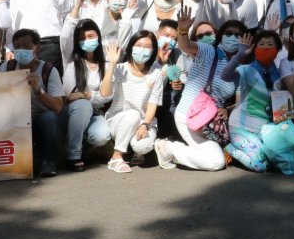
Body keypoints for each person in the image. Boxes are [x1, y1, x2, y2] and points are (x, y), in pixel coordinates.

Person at [158, 13, 238, 172]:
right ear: (221, 36)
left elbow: (240, 99)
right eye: (228, 34)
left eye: (237, 35)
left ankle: (170, 149)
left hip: (211, 124)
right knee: (216, 163)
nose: (233, 38)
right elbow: (186, 46)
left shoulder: (240, 65)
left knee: (216, 161)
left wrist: (227, 109)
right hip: (190, 116)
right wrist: (182, 31)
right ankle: (166, 147)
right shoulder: (209, 51)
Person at [218, 30, 294, 173]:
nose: (265, 47)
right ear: (255, 48)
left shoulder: (280, 75)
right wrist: (239, 55)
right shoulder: (246, 70)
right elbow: (225, 75)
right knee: (261, 165)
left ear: (277, 50)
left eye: (270, 44)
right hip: (242, 128)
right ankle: (229, 148)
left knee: (281, 157)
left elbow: (285, 106)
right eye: (261, 44)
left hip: (267, 129)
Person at [99, 31, 166, 172]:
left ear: (153, 50)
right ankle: (116, 157)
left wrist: (145, 124)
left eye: (147, 47)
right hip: (119, 120)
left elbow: (153, 103)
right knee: (132, 115)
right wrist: (111, 64)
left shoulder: (156, 73)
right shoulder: (119, 68)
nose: (142, 49)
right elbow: (104, 93)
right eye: (138, 45)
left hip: (144, 122)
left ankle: (134, 148)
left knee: (142, 146)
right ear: (131, 47)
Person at [8, 28, 66, 177]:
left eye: (26, 47)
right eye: (17, 47)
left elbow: (58, 107)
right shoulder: (6, 68)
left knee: (49, 117)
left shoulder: (48, 70)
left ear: (37, 48)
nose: (21, 51)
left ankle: (49, 161)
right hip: (14, 120)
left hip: (39, 121)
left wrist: (38, 90)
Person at [59, 21, 113, 171]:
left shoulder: (106, 64)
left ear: (98, 37)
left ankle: (83, 148)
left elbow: (106, 96)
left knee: (101, 136)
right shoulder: (71, 61)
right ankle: (73, 155)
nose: (87, 40)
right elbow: (69, 98)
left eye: (91, 36)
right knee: (83, 105)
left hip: (95, 112)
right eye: (82, 38)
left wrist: (86, 95)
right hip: (70, 112)